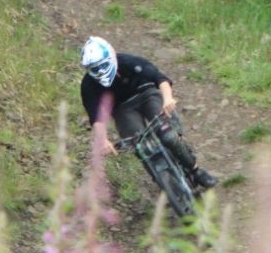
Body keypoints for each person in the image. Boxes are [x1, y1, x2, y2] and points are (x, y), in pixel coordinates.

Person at [80, 36, 218, 189]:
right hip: (122, 109)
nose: (100, 71)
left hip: (147, 94)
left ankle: (196, 170)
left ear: (111, 58)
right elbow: (96, 117)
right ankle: (166, 183)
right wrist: (103, 139)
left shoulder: (129, 62)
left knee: (168, 134)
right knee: (141, 147)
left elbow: (160, 79)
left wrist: (167, 99)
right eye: (95, 69)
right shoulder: (88, 86)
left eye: (103, 65)